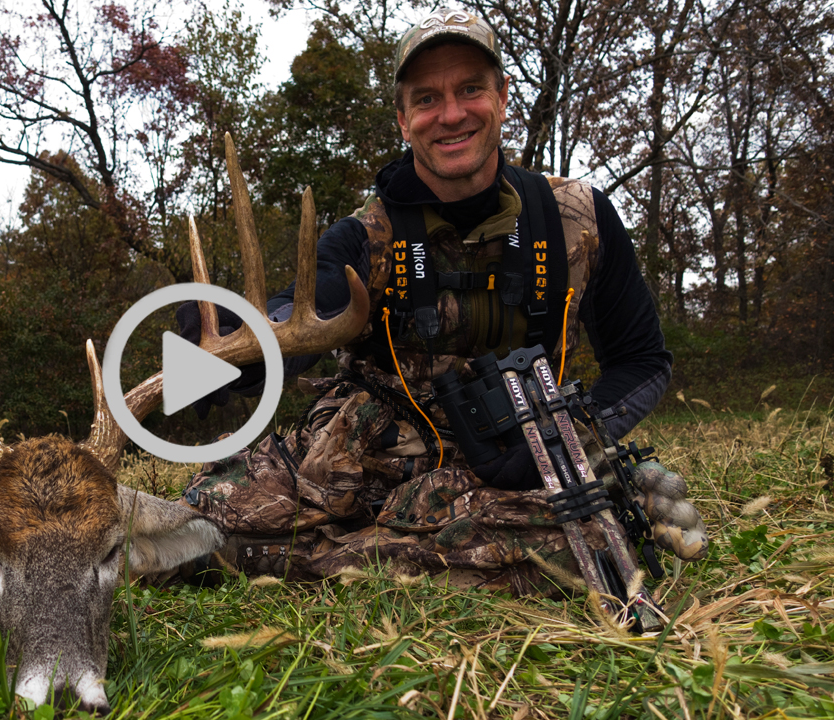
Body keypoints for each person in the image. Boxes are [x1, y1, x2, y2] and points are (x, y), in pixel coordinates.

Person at [177, 7, 708, 596]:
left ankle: (281, 560)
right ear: (404, 120)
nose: (451, 114)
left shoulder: (579, 218)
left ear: (502, 98)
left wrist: (569, 431)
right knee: (194, 518)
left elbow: (641, 360)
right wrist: (242, 341)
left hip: (514, 461)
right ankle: (348, 555)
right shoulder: (366, 234)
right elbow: (310, 306)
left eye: (470, 89)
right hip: (364, 460)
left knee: (579, 547)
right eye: (427, 99)